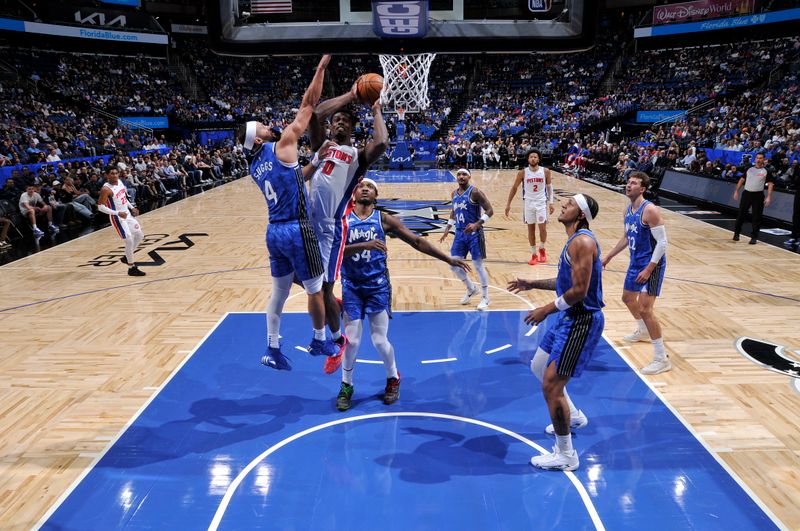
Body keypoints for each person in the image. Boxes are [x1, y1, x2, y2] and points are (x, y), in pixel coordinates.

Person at [235, 54, 338, 370]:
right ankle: (320, 339)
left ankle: (272, 348)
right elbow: (308, 106)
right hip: (297, 229)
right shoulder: (284, 143)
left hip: (274, 232)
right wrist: (320, 68)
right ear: (260, 137)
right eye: (264, 127)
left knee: (278, 292)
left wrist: (315, 163)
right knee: (316, 288)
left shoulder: (255, 164)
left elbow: (292, 179)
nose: (269, 126)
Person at [335, 178, 470, 410]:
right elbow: (332, 251)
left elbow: (417, 241)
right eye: (361, 186)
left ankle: (392, 378)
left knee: (379, 341)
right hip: (351, 286)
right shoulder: (343, 220)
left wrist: (448, 258)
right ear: (354, 192)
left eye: (370, 187)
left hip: (377, 285)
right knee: (353, 340)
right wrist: (364, 246)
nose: (365, 188)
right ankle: (346, 385)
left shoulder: (384, 220)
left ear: (376, 195)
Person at [508, 193, 603, 471]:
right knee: (539, 365)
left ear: (581, 214)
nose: (563, 205)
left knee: (551, 385)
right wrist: (532, 283)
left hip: (581, 321)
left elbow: (579, 292)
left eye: (570, 204)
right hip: (569, 317)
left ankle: (566, 455)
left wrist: (544, 310)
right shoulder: (573, 241)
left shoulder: (583, 242)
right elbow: (565, 283)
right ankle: (572, 416)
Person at [307, 89, 389, 374]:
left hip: (331, 228)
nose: (340, 122)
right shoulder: (322, 145)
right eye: (336, 120)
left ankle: (335, 341)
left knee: (323, 288)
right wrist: (351, 95)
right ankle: (333, 303)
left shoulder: (357, 156)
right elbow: (315, 113)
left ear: (353, 128)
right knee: (292, 275)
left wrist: (376, 108)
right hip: (308, 225)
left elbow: (381, 142)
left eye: (346, 120)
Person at [602, 171, 671, 375]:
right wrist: (609, 256)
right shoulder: (628, 211)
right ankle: (642, 331)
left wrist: (649, 268)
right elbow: (626, 237)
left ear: (642, 189)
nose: (628, 185)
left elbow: (663, 243)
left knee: (645, 308)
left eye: (633, 183)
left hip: (652, 264)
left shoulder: (649, 210)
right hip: (635, 262)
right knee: (627, 298)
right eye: (628, 182)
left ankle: (661, 358)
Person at [439, 168, 494, 310]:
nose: (461, 177)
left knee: (477, 265)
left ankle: (486, 298)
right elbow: (453, 212)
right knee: (453, 264)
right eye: (459, 174)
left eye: (464, 174)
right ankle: (471, 289)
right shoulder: (454, 194)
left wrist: (477, 224)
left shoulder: (475, 192)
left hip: (475, 235)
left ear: (469, 177)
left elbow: (490, 210)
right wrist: (447, 229)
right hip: (459, 234)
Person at [504, 149, 555, 265]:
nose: (533, 158)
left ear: (539, 159)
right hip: (528, 203)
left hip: (541, 203)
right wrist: (508, 204)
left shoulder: (545, 171)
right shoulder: (523, 172)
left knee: (542, 228)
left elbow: (549, 188)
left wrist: (551, 203)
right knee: (531, 229)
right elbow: (514, 188)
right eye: (531, 157)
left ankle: (542, 248)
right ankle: (533, 254)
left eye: (535, 157)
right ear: (528, 159)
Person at [97, 166, 145, 276]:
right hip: (118, 217)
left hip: (127, 214)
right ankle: (131, 268)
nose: (115, 175)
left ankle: (126, 256)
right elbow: (100, 207)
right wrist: (117, 213)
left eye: (116, 173)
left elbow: (124, 198)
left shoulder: (119, 182)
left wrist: (132, 207)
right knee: (129, 240)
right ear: (107, 175)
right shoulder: (106, 189)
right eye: (112, 173)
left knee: (139, 236)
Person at [732, 152, 774, 244]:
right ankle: (736, 234)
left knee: (757, 217)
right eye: (757, 158)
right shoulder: (749, 169)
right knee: (741, 215)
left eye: (761, 158)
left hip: (758, 195)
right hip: (746, 194)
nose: (759, 160)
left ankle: (754, 237)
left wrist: (769, 197)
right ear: (755, 159)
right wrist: (736, 191)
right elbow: (742, 179)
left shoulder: (766, 171)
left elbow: (770, 184)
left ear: (763, 160)